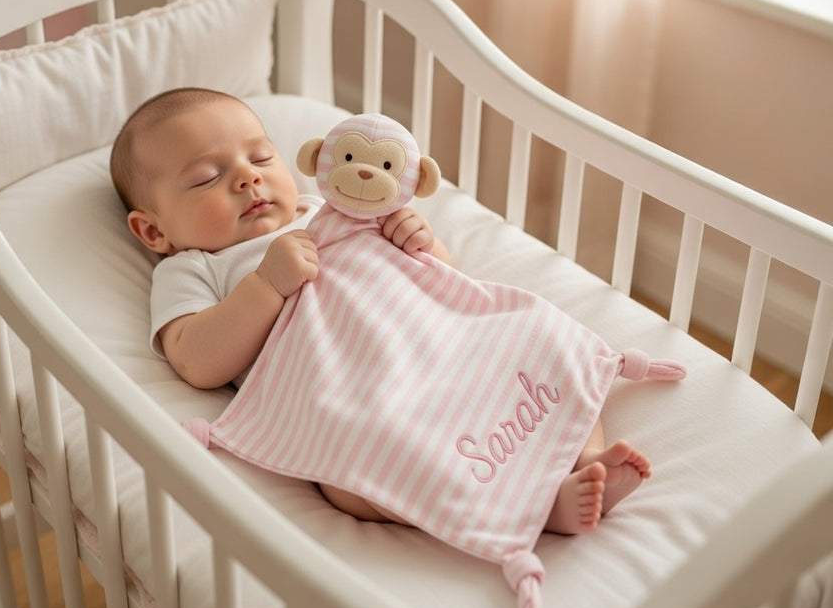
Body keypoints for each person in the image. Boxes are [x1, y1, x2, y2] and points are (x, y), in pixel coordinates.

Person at [110, 87, 649, 533]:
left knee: (541, 344)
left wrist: (421, 242)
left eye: (260, 157)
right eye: (207, 177)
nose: (246, 178)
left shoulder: (325, 206)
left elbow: (437, 277)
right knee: (355, 482)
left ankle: (581, 459)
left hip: (436, 343)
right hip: (358, 392)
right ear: (154, 230)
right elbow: (197, 361)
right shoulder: (194, 268)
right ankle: (543, 507)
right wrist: (265, 286)